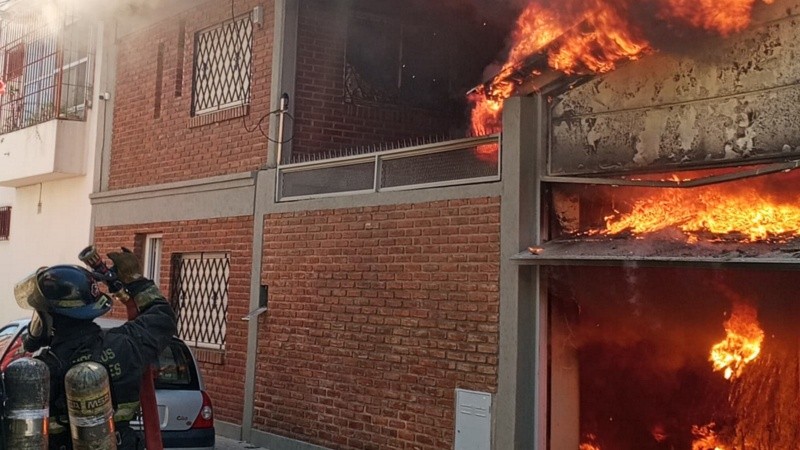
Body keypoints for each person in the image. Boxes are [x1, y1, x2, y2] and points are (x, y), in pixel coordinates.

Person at [14, 248, 177, 450]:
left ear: (50, 317)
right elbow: (162, 317)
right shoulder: (124, 345)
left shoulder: (37, 374)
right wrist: (135, 280)